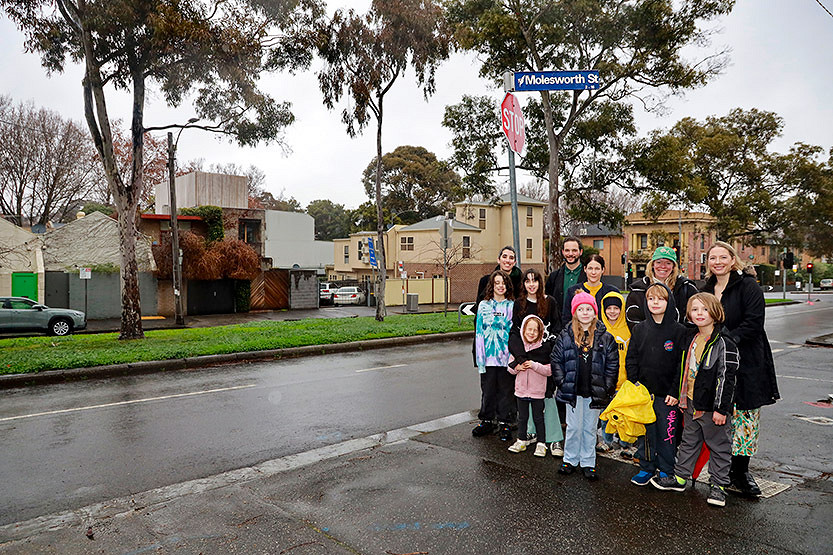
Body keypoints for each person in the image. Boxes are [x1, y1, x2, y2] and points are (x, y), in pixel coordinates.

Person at [701, 241, 779, 497]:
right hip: (716, 363)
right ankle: (721, 468)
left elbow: (754, 323)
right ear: (708, 262)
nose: (718, 262)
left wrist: (726, 342)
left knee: (745, 417)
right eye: (713, 258)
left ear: (733, 260)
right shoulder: (707, 289)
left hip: (747, 361)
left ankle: (741, 472)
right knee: (720, 416)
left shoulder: (748, 286)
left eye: (723, 257)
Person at [651, 293, 739, 508]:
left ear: (715, 312)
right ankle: (680, 478)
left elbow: (727, 379)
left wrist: (721, 409)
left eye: (705, 309)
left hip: (711, 406)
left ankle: (718, 485)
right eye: (695, 309)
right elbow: (682, 369)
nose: (699, 314)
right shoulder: (691, 338)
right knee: (689, 441)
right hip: (690, 402)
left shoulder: (724, 343)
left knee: (719, 445)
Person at [552, 292, 618, 480]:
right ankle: (570, 458)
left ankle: (588, 461)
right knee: (573, 427)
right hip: (572, 390)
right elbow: (556, 360)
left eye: (589, 309)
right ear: (575, 312)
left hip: (594, 391)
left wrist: (606, 387)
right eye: (581, 309)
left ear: (594, 312)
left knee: (589, 427)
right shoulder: (566, 335)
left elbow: (612, 364)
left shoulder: (605, 337)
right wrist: (563, 382)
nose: (585, 313)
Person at [626, 283, 686, 486]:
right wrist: (636, 386)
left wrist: (674, 391)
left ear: (669, 302)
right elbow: (631, 359)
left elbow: (681, 364)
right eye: (651, 299)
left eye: (660, 299)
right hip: (645, 395)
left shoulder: (679, 331)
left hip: (667, 397)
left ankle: (666, 469)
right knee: (646, 434)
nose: (655, 302)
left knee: (667, 434)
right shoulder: (640, 329)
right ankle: (646, 467)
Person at [509, 269, 564, 455]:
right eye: (527, 281)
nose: (531, 284)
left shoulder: (550, 302)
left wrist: (541, 353)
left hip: (544, 358)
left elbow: (557, 329)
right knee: (527, 397)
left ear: (541, 283)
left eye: (535, 281)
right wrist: (521, 357)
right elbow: (515, 333)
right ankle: (531, 433)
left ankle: (554, 438)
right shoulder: (519, 304)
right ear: (523, 284)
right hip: (525, 358)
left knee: (547, 397)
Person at [473, 270, 515, 441]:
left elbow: (513, 331)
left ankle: (505, 423)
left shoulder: (512, 306)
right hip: (488, 358)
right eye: (497, 283)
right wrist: (480, 360)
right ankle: (486, 420)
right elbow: (479, 334)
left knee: (506, 391)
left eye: (503, 283)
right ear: (492, 285)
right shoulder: (483, 306)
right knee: (488, 390)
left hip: (506, 358)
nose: (500, 286)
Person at [507, 315, 552, 458]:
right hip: (521, 391)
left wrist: (534, 365)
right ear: (523, 330)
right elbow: (509, 367)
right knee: (523, 417)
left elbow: (549, 370)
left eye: (535, 330)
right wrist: (517, 368)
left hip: (537, 391)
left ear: (540, 333)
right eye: (529, 329)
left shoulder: (543, 349)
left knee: (539, 417)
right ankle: (521, 440)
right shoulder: (518, 349)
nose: (531, 333)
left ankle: (541, 443)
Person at [625, 245, 699, 330]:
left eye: (668, 263)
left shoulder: (687, 288)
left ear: (673, 266)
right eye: (659, 262)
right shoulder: (637, 290)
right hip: (647, 341)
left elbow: (694, 317)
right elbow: (632, 320)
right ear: (652, 264)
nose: (663, 266)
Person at [597, 291, 633, 457]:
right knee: (606, 414)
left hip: (624, 381)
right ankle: (606, 441)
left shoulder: (628, 329)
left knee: (623, 415)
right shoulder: (599, 328)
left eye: (616, 308)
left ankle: (625, 444)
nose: (612, 311)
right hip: (605, 382)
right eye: (609, 308)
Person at [561, 254, 619, 328]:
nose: (593, 272)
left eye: (597, 269)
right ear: (585, 269)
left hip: (606, 335)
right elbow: (566, 318)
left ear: (603, 270)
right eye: (590, 268)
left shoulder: (612, 292)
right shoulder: (573, 291)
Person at [544, 236, 587, 321]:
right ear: (563, 252)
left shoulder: (588, 276)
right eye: (567, 250)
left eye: (574, 250)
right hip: (559, 326)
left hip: (583, 324)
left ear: (580, 252)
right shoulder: (553, 277)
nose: (570, 254)